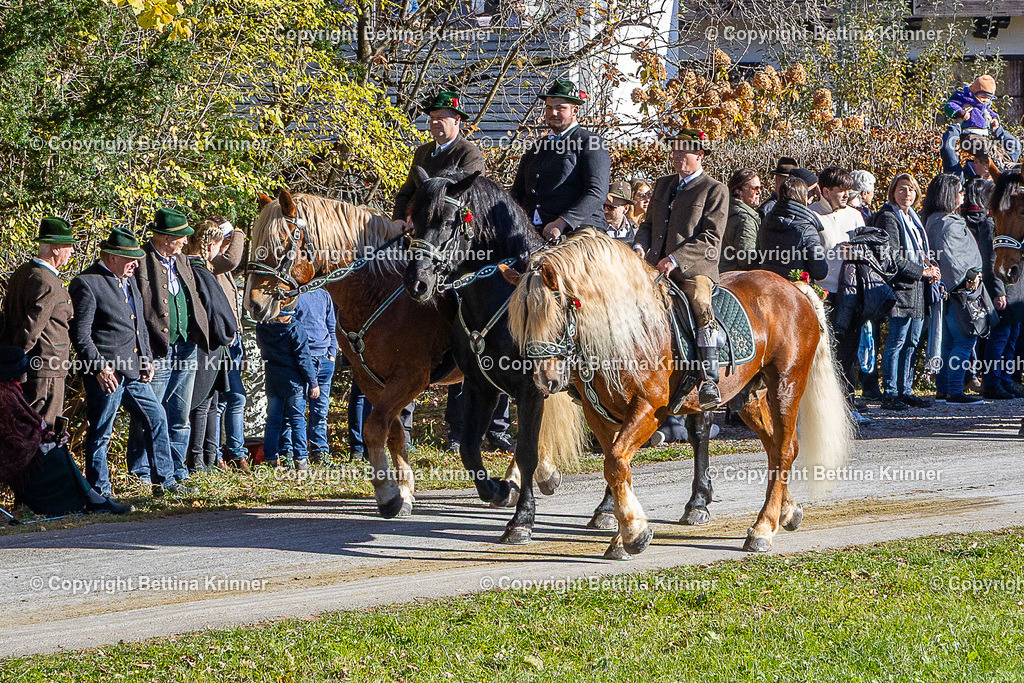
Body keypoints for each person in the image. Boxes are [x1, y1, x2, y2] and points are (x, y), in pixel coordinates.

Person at [70, 228, 183, 497]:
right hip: (106, 374)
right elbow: (81, 334)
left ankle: (165, 482)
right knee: (101, 431)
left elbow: (140, 324)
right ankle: (100, 491)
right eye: (129, 258)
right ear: (111, 257)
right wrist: (98, 367)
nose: (135, 263)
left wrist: (146, 357)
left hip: (133, 370)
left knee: (157, 418)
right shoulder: (87, 282)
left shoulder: (128, 279)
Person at [633, 128, 728, 410]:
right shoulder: (662, 185)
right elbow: (647, 225)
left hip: (693, 269)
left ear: (699, 155)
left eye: (682, 152)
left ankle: (709, 379)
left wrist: (675, 259)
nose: (676, 156)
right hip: (654, 267)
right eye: (673, 151)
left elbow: (711, 237)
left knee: (700, 302)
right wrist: (640, 246)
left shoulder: (714, 189)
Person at [128, 208, 209, 486]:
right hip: (156, 350)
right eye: (180, 237)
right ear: (164, 238)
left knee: (179, 414)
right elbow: (133, 308)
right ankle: (141, 472)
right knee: (149, 415)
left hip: (186, 346)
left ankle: (175, 470)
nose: (185, 241)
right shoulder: (140, 260)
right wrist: (142, 351)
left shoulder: (182, 260)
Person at [0, 346, 132, 516]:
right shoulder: (5, 395)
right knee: (57, 455)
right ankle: (90, 500)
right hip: (12, 455)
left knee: (59, 450)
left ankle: (91, 499)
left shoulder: (11, 389)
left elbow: (23, 427)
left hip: (22, 447)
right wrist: (41, 440)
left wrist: (47, 436)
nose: (26, 373)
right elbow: (12, 435)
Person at [872, 173, 941, 410]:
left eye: (911, 189)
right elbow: (892, 256)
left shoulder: (914, 218)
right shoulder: (889, 217)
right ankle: (890, 392)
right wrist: (921, 272)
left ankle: (906, 389)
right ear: (892, 191)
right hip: (901, 287)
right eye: (902, 189)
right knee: (897, 341)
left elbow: (921, 251)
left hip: (919, 290)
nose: (907, 193)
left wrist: (931, 267)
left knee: (912, 341)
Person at [511, 79, 610, 240]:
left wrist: (562, 222)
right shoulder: (535, 148)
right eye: (549, 108)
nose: (553, 113)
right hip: (532, 232)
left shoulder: (591, 143)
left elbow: (597, 192)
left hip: (581, 232)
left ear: (575, 110)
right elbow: (517, 193)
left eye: (560, 108)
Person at [1, 217, 77, 426]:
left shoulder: (23, 272)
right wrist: (17, 366)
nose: (71, 252)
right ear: (55, 249)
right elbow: (31, 329)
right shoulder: (47, 282)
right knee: (42, 430)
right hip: (45, 369)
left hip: (36, 366)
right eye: (68, 247)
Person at [923, 174, 986, 404]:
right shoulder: (946, 224)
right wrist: (970, 277)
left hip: (945, 292)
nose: (963, 195)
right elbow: (952, 260)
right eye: (959, 191)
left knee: (948, 341)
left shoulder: (934, 220)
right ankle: (954, 391)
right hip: (959, 292)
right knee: (965, 340)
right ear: (949, 194)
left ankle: (943, 389)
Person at [184, 220, 238, 472]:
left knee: (212, 403)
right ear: (209, 244)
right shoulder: (199, 270)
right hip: (206, 346)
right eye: (218, 245)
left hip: (209, 346)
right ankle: (198, 462)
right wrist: (227, 333)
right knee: (203, 405)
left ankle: (209, 458)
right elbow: (218, 311)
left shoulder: (192, 268)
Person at [965, 179, 1024, 399]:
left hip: (1017, 291)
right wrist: (998, 291)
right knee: (999, 340)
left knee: (1011, 339)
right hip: (1004, 292)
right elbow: (991, 262)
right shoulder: (991, 225)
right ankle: (991, 381)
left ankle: (1005, 379)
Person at [392, 90, 485, 229]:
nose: (434, 122)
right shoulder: (422, 152)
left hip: (443, 234)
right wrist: (399, 218)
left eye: (440, 118)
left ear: (457, 120)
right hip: (409, 228)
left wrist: (419, 220)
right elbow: (407, 191)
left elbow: (462, 199)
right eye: (432, 117)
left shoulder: (470, 154)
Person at [208, 217, 250, 473]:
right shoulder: (212, 263)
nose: (227, 244)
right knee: (229, 399)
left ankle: (231, 452)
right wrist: (240, 233)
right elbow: (234, 259)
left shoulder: (221, 268)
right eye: (225, 239)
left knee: (232, 399)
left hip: (234, 341)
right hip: (223, 342)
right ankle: (228, 453)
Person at [256, 307, 319, 470]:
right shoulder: (295, 329)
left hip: (273, 378)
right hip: (293, 381)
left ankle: (270, 457)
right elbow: (303, 358)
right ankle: (301, 460)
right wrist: (313, 382)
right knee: (297, 420)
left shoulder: (263, 327)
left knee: (273, 420)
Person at [294, 289, 338, 465]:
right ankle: (299, 455)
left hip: (324, 359)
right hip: (302, 360)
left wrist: (332, 355)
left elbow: (332, 325)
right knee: (297, 412)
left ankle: (320, 453)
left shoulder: (324, 294)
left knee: (320, 411)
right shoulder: (295, 295)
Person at [756, 176, 827, 281]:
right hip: (795, 291)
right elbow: (820, 272)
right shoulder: (807, 229)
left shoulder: (767, 220)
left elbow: (758, 256)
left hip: (768, 287)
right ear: (803, 197)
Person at [810, 166, 865, 295]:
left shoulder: (855, 215)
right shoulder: (811, 214)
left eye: (848, 190)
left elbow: (866, 251)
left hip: (850, 289)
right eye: (841, 190)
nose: (847, 195)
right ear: (826, 192)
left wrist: (855, 253)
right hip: (820, 290)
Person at [721, 168, 761, 271]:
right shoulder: (745, 220)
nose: (759, 192)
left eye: (760, 187)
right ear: (739, 191)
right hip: (736, 280)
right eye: (755, 188)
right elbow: (747, 260)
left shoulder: (723, 208)